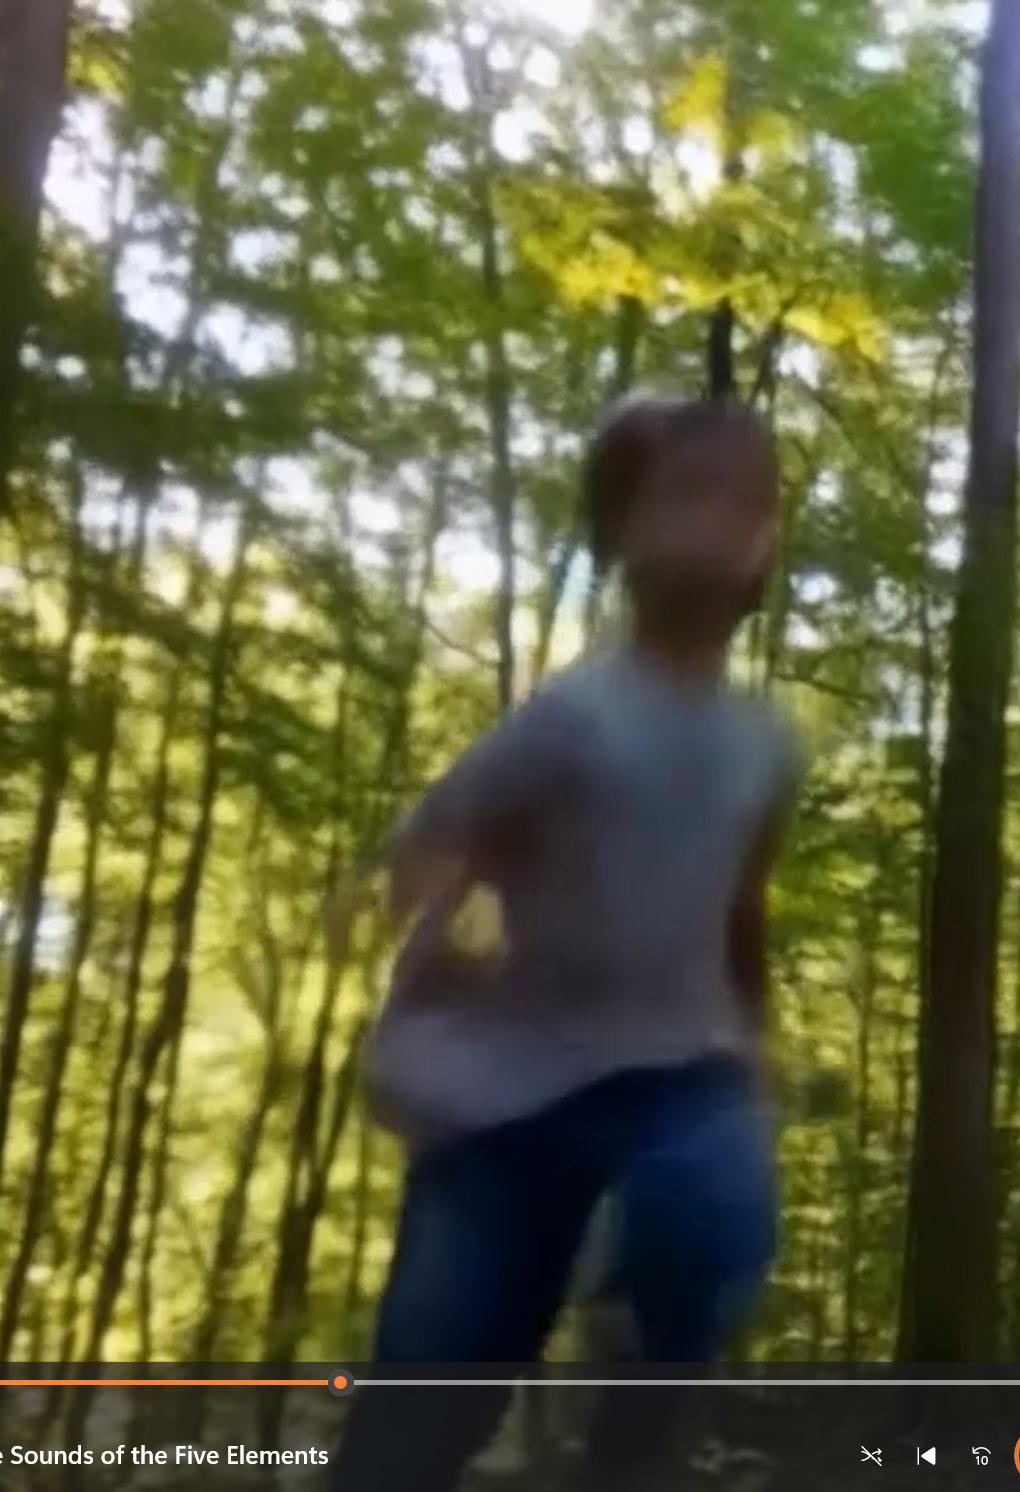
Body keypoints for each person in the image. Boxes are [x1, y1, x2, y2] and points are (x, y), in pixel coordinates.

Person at [330, 396, 799, 1492]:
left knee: (717, 1201)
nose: (723, 520)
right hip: (511, 1088)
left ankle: (632, 1421)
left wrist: (755, 1036)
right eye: (689, 493)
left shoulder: (763, 743)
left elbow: (740, 896)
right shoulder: (568, 721)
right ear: (622, 532)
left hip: (679, 1066)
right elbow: (436, 841)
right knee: (440, 1366)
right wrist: (417, 900)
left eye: (750, 502)